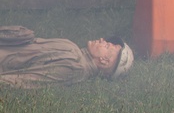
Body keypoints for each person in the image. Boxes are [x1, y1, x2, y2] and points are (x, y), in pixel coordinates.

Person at [0, 26, 134, 88]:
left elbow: (26, 81)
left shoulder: (76, 67)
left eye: (107, 45)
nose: (102, 40)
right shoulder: (75, 52)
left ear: (104, 61)